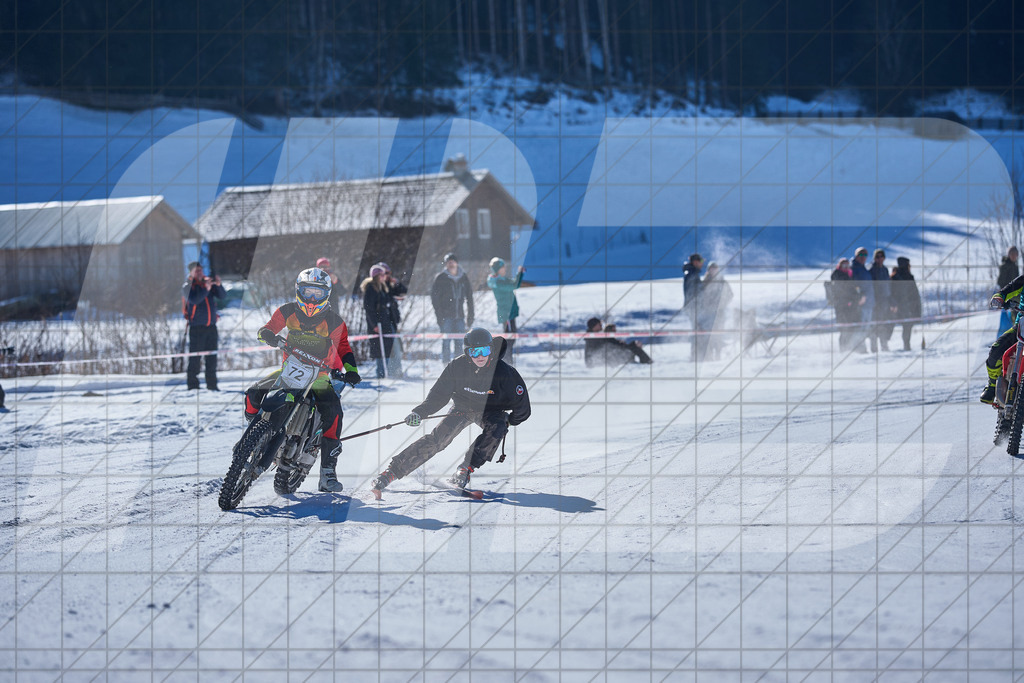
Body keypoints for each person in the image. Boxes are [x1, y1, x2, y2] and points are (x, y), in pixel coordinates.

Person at [371, 328, 530, 497]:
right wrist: (419, 412)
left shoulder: (505, 373)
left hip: (491, 411)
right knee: (439, 439)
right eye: (474, 352)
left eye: (485, 350)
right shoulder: (457, 367)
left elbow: (523, 407)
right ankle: (392, 472)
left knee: (498, 427)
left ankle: (466, 468)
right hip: (462, 408)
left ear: (491, 350)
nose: (480, 356)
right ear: (467, 353)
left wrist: (510, 421)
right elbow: (438, 396)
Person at [245, 267, 361, 492]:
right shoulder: (287, 311)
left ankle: (328, 473)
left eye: (317, 293)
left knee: (334, 414)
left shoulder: (335, 322)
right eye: (307, 292)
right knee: (253, 392)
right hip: (289, 370)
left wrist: (351, 370)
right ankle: (253, 436)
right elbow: (267, 328)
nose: (311, 298)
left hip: (319, 377)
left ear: (326, 294)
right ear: (298, 291)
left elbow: (344, 348)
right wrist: (266, 334)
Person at [181, 262, 226, 390]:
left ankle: (212, 386)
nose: (199, 273)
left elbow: (222, 296)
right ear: (190, 272)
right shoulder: (188, 286)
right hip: (197, 328)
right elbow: (194, 300)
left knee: (212, 358)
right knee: (195, 359)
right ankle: (193, 386)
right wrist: (206, 289)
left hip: (211, 327)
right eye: (196, 271)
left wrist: (218, 285)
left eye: (200, 270)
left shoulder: (207, 283)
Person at [430, 252, 474, 364]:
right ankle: (446, 366)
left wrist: (470, 316)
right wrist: (439, 317)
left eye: (452, 261)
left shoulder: (464, 277)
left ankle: (458, 366)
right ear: (446, 264)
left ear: (456, 263)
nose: (451, 264)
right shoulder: (441, 278)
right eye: (448, 262)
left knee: (460, 342)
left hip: (459, 316)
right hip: (446, 317)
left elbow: (470, 298)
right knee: (446, 342)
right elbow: (435, 300)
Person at [361, 264, 396, 379]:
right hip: (377, 324)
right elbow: (369, 309)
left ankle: (387, 373)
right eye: (381, 274)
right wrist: (374, 325)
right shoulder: (371, 289)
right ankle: (380, 374)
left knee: (387, 350)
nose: (383, 276)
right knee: (380, 351)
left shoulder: (382, 288)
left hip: (386, 323)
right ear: (376, 276)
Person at [695, 262, 734, 361]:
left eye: (715, 268)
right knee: (709, 336)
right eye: (711, 268)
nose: (713, 270)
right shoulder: (705, 282)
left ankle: (718, 355)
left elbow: (730, 294)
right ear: (708, 270)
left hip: (720, 313)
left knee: (718, 335)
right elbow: (700, 296)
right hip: (708, 314)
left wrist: (722, 304)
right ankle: (709, 355)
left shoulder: (722, 281)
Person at [583, 317, 653, 366]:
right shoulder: (593, 336)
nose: (601, 326)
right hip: (602, 361)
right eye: (600, 324)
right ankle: (648, 363)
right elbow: (610, 343)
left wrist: (625, 344)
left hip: (608, 357)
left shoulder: (595, 335)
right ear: (594, 326)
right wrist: (630, 345)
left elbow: (611, 343)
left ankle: (645, 363)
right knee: (633, 347)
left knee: (632, 347)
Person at [378, 262, 407, 378]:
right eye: (384, 273)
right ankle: (387, 373)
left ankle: (397, 371)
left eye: (388, 273)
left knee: (396, 348)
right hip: (382, 323)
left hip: (392, 321)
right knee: (386, 349)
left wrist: (397, 283)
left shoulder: (390, 285)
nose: (386, 276)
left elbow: (403, 292)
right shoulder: (376, 287)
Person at [487, 257, 525, 343]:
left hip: (510, 313)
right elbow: (515, 285)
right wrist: (520, 273)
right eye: (503, 267)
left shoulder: (503, 280)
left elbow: (514, 282)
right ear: (498, 270)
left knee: (511, 339)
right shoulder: (498, 283)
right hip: (506, 313)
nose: (505, 269)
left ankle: (508, 356)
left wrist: (519, 274)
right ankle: (507, 357)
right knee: (509, 341)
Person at [826, 258, 861, 352]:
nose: (846, 267)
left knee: (851, 329)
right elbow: (842, 291)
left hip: (851, 306)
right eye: (844, 265)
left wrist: (855, 298)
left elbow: (853, 289)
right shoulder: (838, 275)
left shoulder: (849, 275)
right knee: (844, 329)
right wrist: (849, 299)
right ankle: (843, 349)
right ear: (840, 266)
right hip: (842, 307)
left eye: (847, 265)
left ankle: (850, 348)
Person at [890, 257, 922, 351]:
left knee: (908, 326)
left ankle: (906, 345)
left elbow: (915, 294)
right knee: (890, 324)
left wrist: (917, 309)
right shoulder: (895, 277)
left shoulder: (909, 277)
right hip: (898, 306)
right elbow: (891, 292)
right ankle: (885, 343)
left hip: (909, 307)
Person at [869, 249, 895, 352]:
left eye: (881, 256)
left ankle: (884, 345)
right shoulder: (871, 269)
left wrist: (891, 301)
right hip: (875, 302)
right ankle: (874, 348)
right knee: (874, 326)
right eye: (877, 257)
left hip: (885, 301)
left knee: (884, 325)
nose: (879, 259)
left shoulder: (884, 270)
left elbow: (888, 287)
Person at [850, 247, 874, 353]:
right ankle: (859, 349)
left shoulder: (864, 268)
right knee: (860, 327)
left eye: (865, 255)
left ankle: (862, 348)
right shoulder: (854, 268)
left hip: (869, 303)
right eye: (861, 255)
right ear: (856, 255)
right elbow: (854, 284)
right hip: (861, 304)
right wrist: (860, 296)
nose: (863, 257)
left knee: (866, 327)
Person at [682, 253, 704, 361]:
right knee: (697, 331)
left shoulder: (692, 273)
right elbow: (691, 293)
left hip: (694, 308)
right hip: (693, 308)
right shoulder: (692, 274)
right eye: (701, 262)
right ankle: (695, 356)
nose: (702, 264)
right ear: (695, 262)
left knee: (698, 331)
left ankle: (696, 355)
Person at [998, 247, 1019, 336]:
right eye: (1012, 254)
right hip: (1008, 297)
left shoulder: (1015, 266)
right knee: (1010, 323)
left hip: (1016, 297)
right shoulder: (1004, 266)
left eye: (1016, 255)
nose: (1014, 256)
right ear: (1009, 254)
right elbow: (1000, 282)